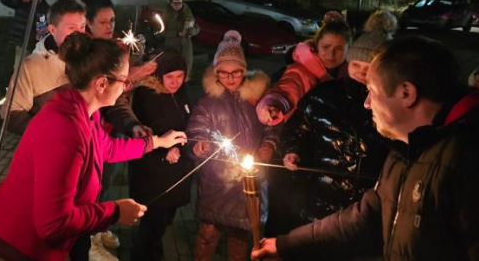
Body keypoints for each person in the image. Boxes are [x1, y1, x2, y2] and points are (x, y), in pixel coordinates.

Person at [253, 36, 479, 261]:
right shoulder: (405, 148)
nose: (367, 102)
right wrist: (286, 245)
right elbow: (370, 218)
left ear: (406, 93)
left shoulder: (467, 159)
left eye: (372, 89)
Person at [0, 33, 188, 261]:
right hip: (12, 247)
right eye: (124, 80)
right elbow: (53, 223)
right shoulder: (66, 128)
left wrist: (157, 142)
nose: (127, 87)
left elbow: (107, 149)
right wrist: (115, 211)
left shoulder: (83, 111)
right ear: (102, 83)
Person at [278, 15, 394, 229]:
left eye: (369, 66)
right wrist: (292, 150)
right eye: (356, 64)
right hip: (321, 201)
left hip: (367, 208)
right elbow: (297, 128)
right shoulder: (324, 95)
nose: (361, 71)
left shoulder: (390, 107)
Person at [81, 0, 157, 260]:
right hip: (88, 135)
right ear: (87, 23)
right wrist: (133, 76)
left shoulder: (116, 49)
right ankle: (89, 241)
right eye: (103, 22)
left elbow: (117, 99)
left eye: (112, 20)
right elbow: (104, 94)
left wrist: (132, 126)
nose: (110, 26)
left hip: (109, 133)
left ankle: (99, 229)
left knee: (104, 185)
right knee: (88, 191)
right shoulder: (83, 55)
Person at [187, 31, 271, 261]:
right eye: (223, 73)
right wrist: (199, 142)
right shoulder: (208, 103)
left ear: (244, 71)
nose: (230, 78)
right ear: (216, 73)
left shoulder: (256, 98)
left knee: (240, 237)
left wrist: (269, 145)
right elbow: (197, 126)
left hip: (247, 182)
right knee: (207, 234)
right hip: (217, 182)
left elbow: (272, 126)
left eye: (235, 72)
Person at [128, 50, 195, 261]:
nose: (175, 82)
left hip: (176, 172)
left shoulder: (182, 93)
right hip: (153, 172)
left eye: (180, 76)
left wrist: (181, 148)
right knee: (152, 225)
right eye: (169, 77)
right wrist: (166, 148)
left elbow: (189, 125)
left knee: (163, 221)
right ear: (160, 75)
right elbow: (149, 125)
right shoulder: (146, 94)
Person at [0, 0, 86, 134]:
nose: (79, 33)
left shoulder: (92, 56)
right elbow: (11, 116)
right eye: (71, 28)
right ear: (52, 29)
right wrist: (50, 133)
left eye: (82, 26)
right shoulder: (31, 66)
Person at [256, 14, 352, 127]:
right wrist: (272, 106)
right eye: (325, 47)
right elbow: (287, 90)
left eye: (339, 49)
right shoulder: (301, 70)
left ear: (348, 50)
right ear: (317, 45)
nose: (331, 54)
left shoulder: (352, 75)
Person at [0, 0, 50, 69]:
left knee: (34, 70)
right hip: (22, 44)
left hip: (36, 46)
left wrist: (43, 32)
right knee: (19, 70)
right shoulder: (21, 3)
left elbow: (42, 27)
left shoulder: (44, 6)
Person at [162, 0, 199, 79]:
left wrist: (191, 32)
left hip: (186, 44)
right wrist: (176, 33)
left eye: (180, 3)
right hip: (172, 44)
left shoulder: (187, 12)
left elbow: (196, 27)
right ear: (170, 3)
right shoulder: (166, 13)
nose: (178, 5)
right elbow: (162, 32)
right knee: (172, 66)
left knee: (186, 66)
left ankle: (184, 81)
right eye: (175, 3)